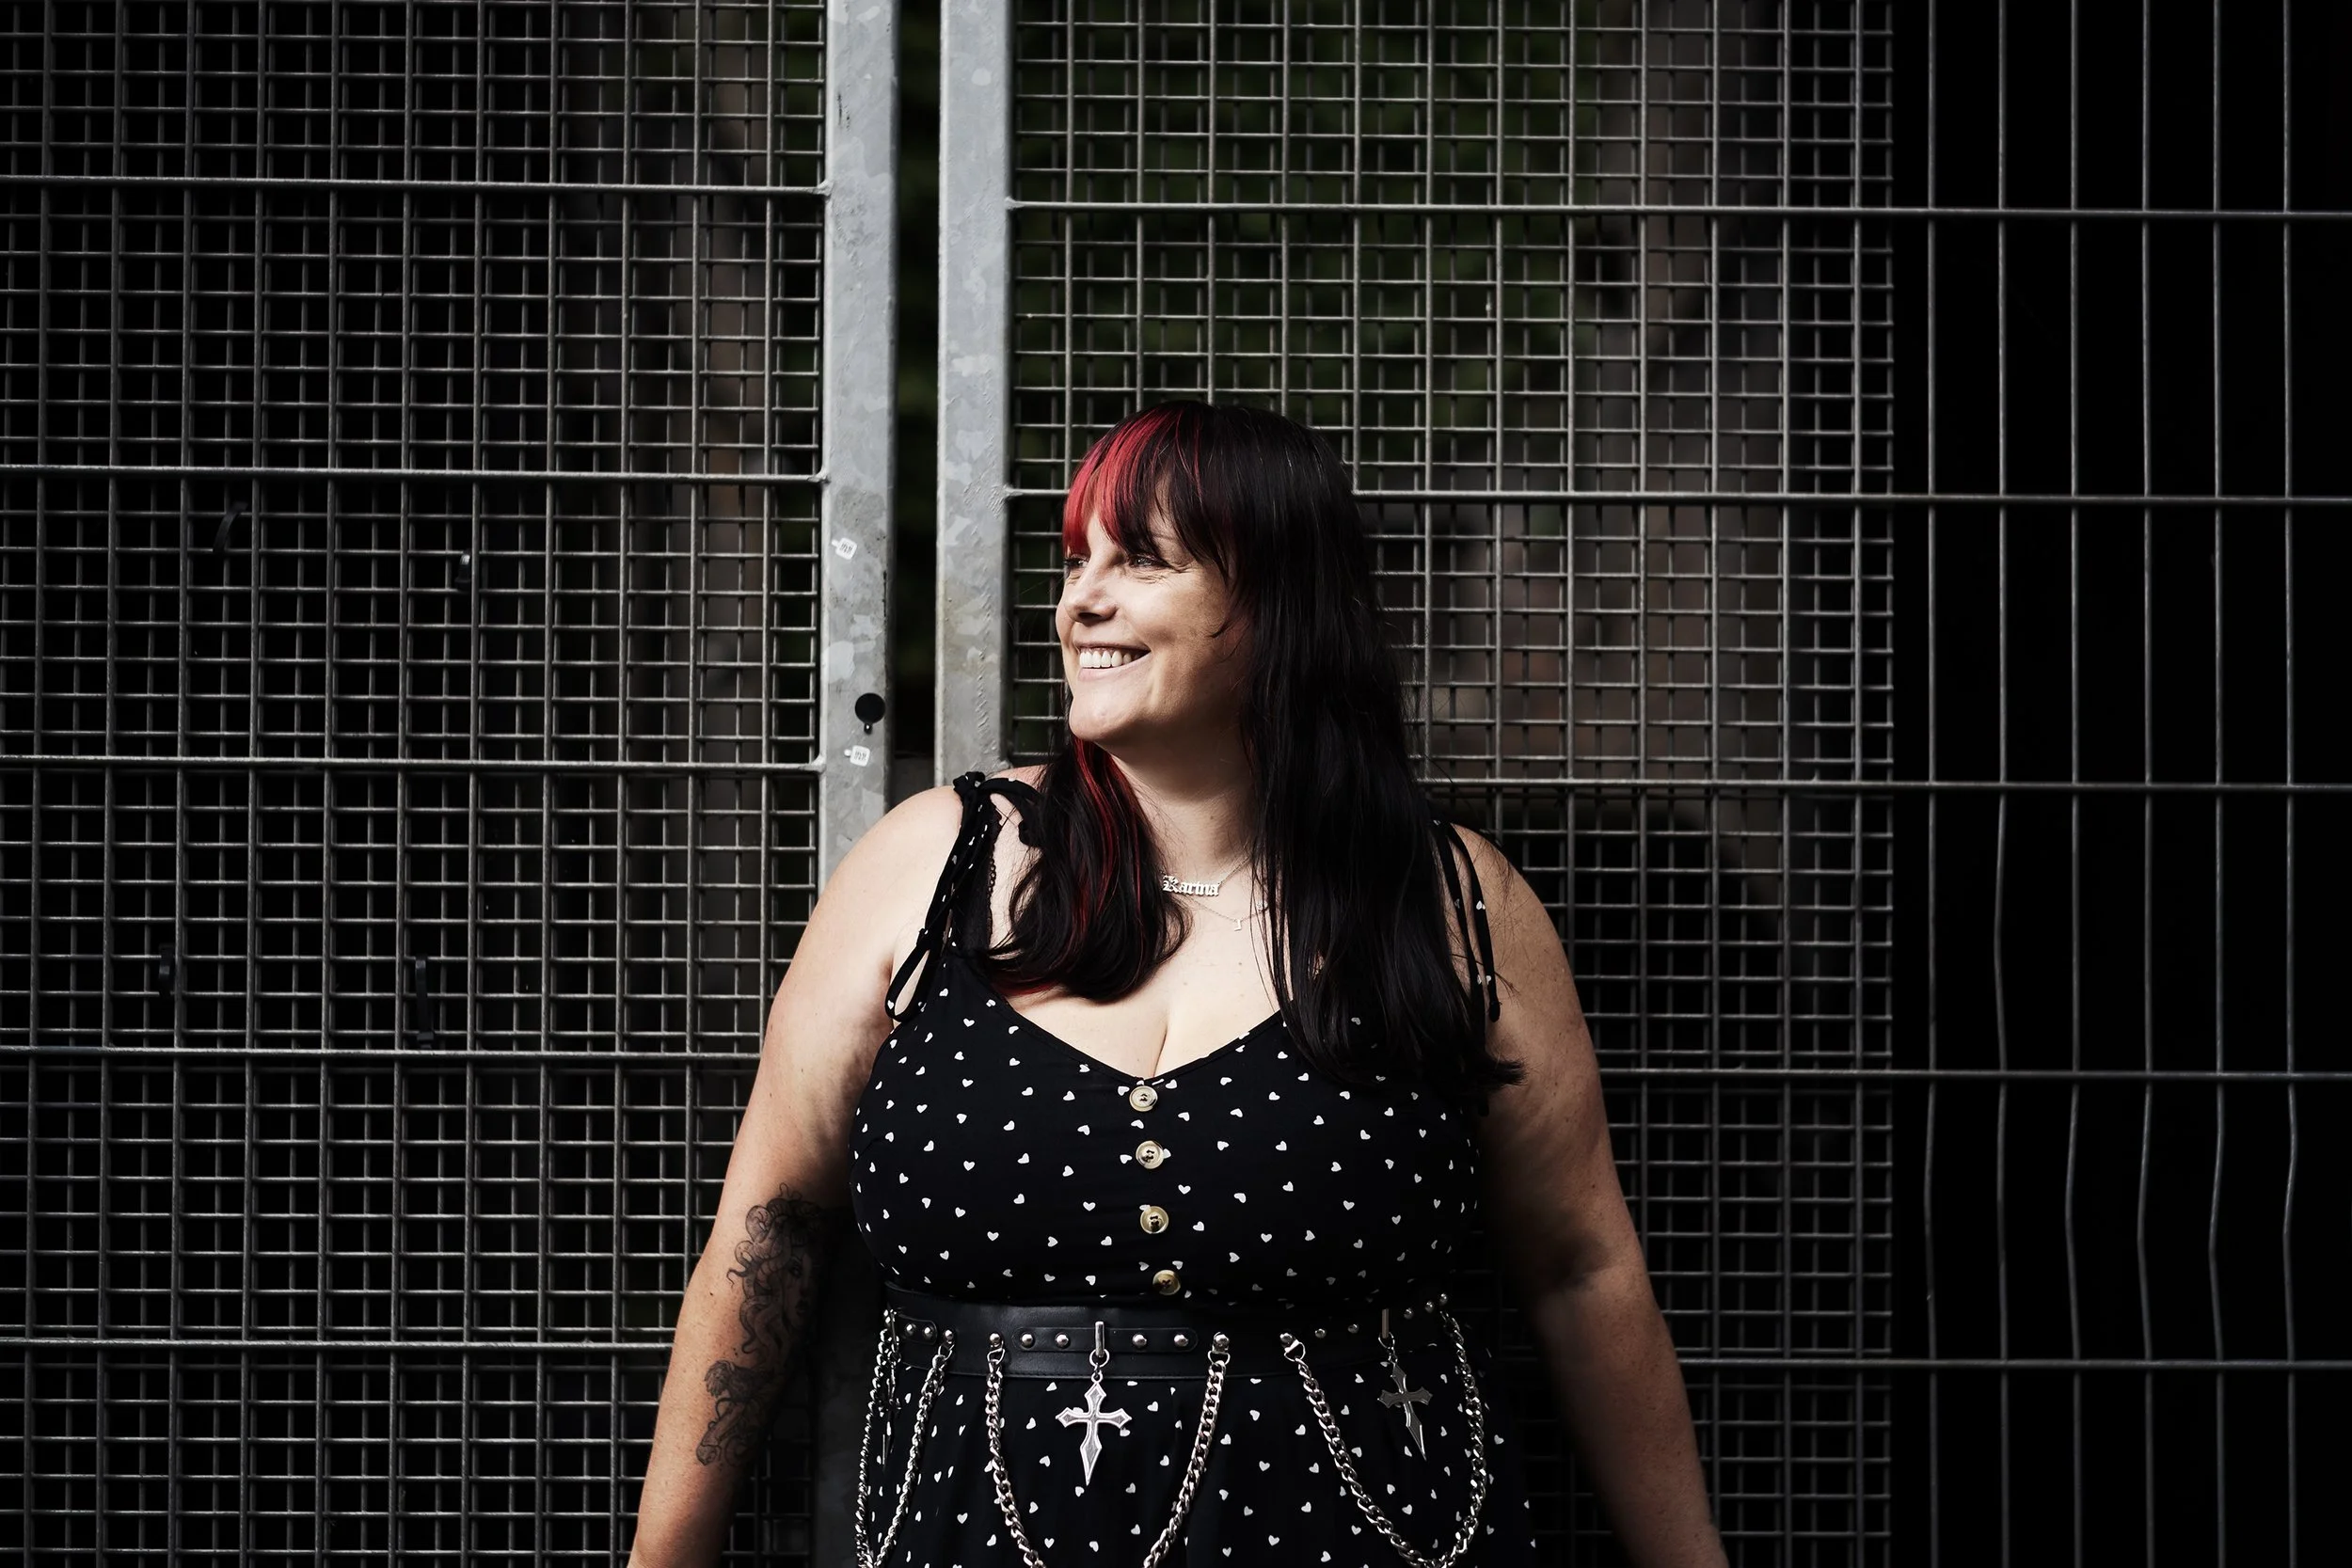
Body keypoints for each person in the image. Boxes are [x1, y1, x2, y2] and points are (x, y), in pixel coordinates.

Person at [627, 402, 1728, 1567]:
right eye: (1075, 560)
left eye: (1141, 560)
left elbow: (1578, 1265)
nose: (1079, 602)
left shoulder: (1450, 899)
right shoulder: (929, 861)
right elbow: (769, 1227)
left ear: (1281, 600)